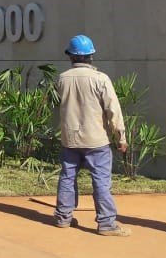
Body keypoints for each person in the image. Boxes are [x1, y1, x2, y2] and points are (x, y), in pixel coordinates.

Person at [54, 34, 131, 237]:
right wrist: (121, 138)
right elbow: (113, 110)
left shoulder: (62, 79)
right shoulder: (100, 79)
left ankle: (63, 217)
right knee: (101, 181)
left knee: (67, 177)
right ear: (91, 56)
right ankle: (106, 223)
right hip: (96, 140)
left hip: (70, 139)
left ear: (70, 56)